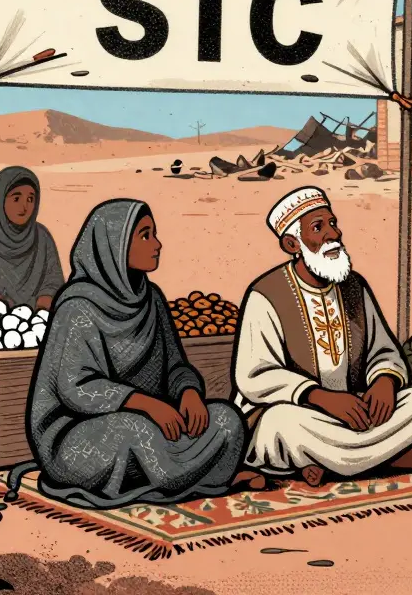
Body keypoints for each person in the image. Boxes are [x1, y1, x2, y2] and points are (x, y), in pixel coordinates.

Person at [24, 199, 260, 509]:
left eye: (155, 234)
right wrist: (146, 405)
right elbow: (75, 388)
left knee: (227, 418)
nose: (158, 244)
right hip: (76, 438)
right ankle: (192, 478)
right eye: (145, 235)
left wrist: (188, 393)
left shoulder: (152, 298)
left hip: (155, 425)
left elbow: (176, 366)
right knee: (135, 431)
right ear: (114, 244)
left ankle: (178, 477)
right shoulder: (77, 306)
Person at [233, 186, 412, 487]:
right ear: (292, 243)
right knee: (280, 426)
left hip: (355, 410)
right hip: (302, 415)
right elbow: (254, 376)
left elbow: (382, 351)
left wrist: (384, 383)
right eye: (318, 228)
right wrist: (320, 397)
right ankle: (388, 458)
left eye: (332, 224)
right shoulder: (266, 293)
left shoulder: (353, 286)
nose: (333, 235)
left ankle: (336, 464)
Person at [0, 166, 64, 314]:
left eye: (30, 199)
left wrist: (43, 303)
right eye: (16, 198)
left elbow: (53, 281)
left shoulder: (42, 237)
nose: (24, 207)